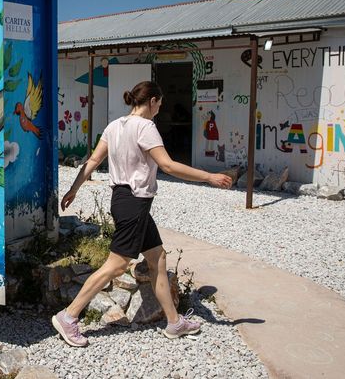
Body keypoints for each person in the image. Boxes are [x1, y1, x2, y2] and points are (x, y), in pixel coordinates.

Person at [52, 81, 232, 347]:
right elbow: (168, 165)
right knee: (117, 265)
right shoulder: (146, 127)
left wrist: (74, 188)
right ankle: (69, 316)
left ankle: (174, 322)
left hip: (124, 200)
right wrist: (208, 177)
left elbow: (92, 161)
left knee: (157, 258)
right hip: (134, 203)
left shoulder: (115, 126)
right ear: (153, 101)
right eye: (160, 103)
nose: (160, 108)